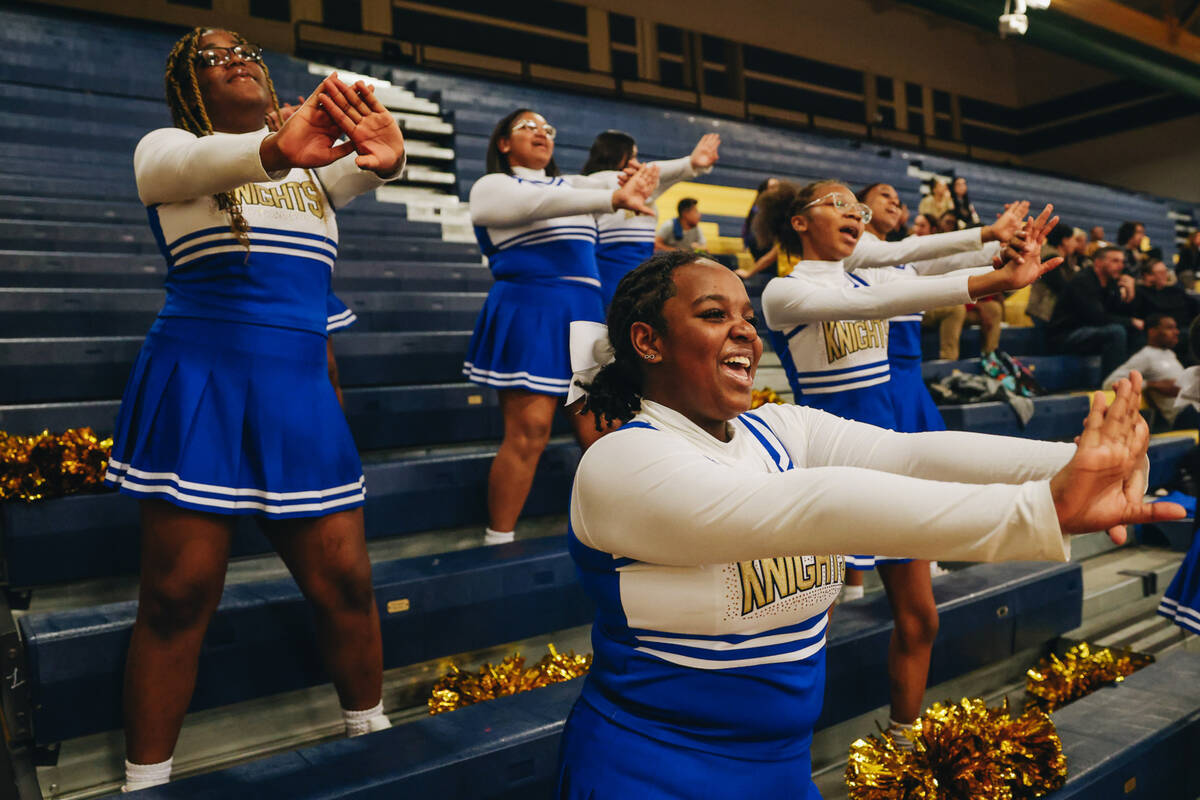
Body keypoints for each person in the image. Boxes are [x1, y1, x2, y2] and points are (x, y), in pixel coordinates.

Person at [555, 250, 1182, 797]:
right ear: (648, 341)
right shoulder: (620, 463)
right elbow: (819, 505)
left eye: (747, 318)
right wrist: (1042, 510)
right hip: (650, 771)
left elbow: (912, 454)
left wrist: (1072, 466)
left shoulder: (778, 429)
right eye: (715, 316)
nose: (745, 332)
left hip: (780, 770)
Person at [105, 28, 408, 792]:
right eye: (210, 56)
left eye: (245, 49)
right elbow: (186, 164)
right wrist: (278, 147)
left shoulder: (312, 176)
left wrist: (390, 157)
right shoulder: (169, 151)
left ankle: (373, 739)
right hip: (200, 380)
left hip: (298, 392)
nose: (235, 58)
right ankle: (147, 780)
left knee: (347, 586)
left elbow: (358, 169)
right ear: (186, 87)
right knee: (176, 597)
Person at [758, 179, 1027, 744]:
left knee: (921, 617)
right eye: (837, 204)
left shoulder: (869, 268)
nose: (852, 212)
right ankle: (773, 751)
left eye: (856, 207)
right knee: (806, 629)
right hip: (827, 467)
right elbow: (880, 301)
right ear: (799, 222)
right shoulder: (785, 292)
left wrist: (997, 246)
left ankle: (902, 748)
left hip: (887, 461)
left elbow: (906, 256)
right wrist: (991, 280)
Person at [464, 108, 659, 546]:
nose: (541, 134)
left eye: (548, 129)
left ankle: (626, 533)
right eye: (528, 127)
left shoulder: (576, 185)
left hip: (584, 313)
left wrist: (688, 166)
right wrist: (610, 195)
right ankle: (499, 539)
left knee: (604, 431)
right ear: (503, 143)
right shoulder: (493, 186)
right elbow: (542, 201)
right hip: (532, 306)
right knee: (529, 431)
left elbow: (619, 183)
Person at [581, 130, 720, 307]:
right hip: (618, 274)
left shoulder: (634, 187)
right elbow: (656, 171)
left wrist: (690, 166)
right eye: (634, 156)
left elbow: (657, 175)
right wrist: (689, 163)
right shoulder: (605, 181)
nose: (638, 164)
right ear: (620, 156)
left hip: (631, 274)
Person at [1048, 246, 1141, 376]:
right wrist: (1130, 322)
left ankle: (1134, 378)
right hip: (1066, 335)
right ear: (1098, 262)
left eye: (1122, 261)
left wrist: (1130, 294)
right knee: (1116, 332)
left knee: (1137, 332)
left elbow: (1119, 313)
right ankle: (1112, 383)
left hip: (1092, 331)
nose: (1121, 266)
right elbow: (1097, 318)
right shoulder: (1082, 281)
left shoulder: (1111, 282)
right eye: (1115, 261)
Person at [1103, 314, 1195, 429]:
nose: (1176, 332)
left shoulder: (1170, 354)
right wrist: (1151, 385)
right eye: (1169, 328)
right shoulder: (1145, 356)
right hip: (1182, 414)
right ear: (1152, 332)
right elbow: (1109, 383)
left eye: (1175, 328)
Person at [1134, 259, 1199, 363]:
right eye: (1160, 273)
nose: (1166, 275)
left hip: (1187, 326)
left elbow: (1194, 305)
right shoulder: (1140, 292)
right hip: (1166, 330)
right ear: (1148, 276)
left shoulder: (1175, 290)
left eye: (1166, 272)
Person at [1026, 219, 1084, 327]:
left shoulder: (1060, 257)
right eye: (1073, 240)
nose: (1075, 244)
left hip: (1045, 311)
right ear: (1065, 241)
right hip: (1043, 311)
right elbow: (1061, 286)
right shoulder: (1050, 258)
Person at [737, 177, 781, 279]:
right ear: (764, 191)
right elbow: (752, 238)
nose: (777, 190)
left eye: (779, 187)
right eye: (773, 187)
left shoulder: (781, 210)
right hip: (765, 253)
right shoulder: (758, 210)